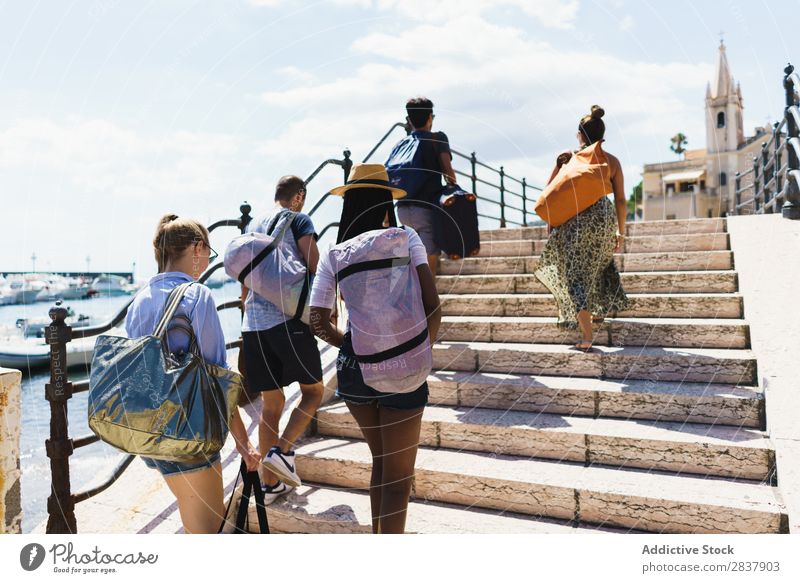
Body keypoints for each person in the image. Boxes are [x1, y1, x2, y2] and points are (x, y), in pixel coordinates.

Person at [309, 163, 442, 534]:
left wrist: (352, 346)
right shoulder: (406, 237)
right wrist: (415, 350)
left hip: (355, 370)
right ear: (386, 201)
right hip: (403, 368)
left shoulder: (335, 254)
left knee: (382, 464)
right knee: (398, 478)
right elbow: (432, 304)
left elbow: (317, 319)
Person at [126, 214, 261, 534]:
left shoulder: (138, 301)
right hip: (190, 432)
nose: (205, 262)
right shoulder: (197, 295)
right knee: (207, 529)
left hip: (151, 433)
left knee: (191, 514)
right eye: (208, 254)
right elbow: (219, 375)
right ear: (197, 247)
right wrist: (244, 444)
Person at [240, 175, 324, 502]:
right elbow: (315, 265)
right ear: (299, 196)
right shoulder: (299, 219)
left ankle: (270, 484)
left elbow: (244, 281)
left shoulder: (253, 228)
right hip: (288, 322)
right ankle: (281, 451)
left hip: (253, 326)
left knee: (271, 406)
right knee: (314, 392)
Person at [534, 105, 631, 351]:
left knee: (575, 274)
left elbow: (549, 193)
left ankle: (587, 336)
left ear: (580, 134)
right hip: (604, 217)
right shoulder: (613, 162)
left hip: (576, 221)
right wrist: (620, 230)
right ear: (602, 134)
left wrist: (558, 166)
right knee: (599, 261)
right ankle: (596, 312)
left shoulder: (570, 159)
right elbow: (620, 200)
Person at [392, 97, 457, 275]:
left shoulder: (400, 145)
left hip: (402, 210)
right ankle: (428, 300)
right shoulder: (438, 138)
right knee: (429, 260)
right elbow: (449, 176)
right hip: (426, 210)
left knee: (405, 257)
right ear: (430, 118)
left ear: (409, 120)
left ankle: (407, 296)